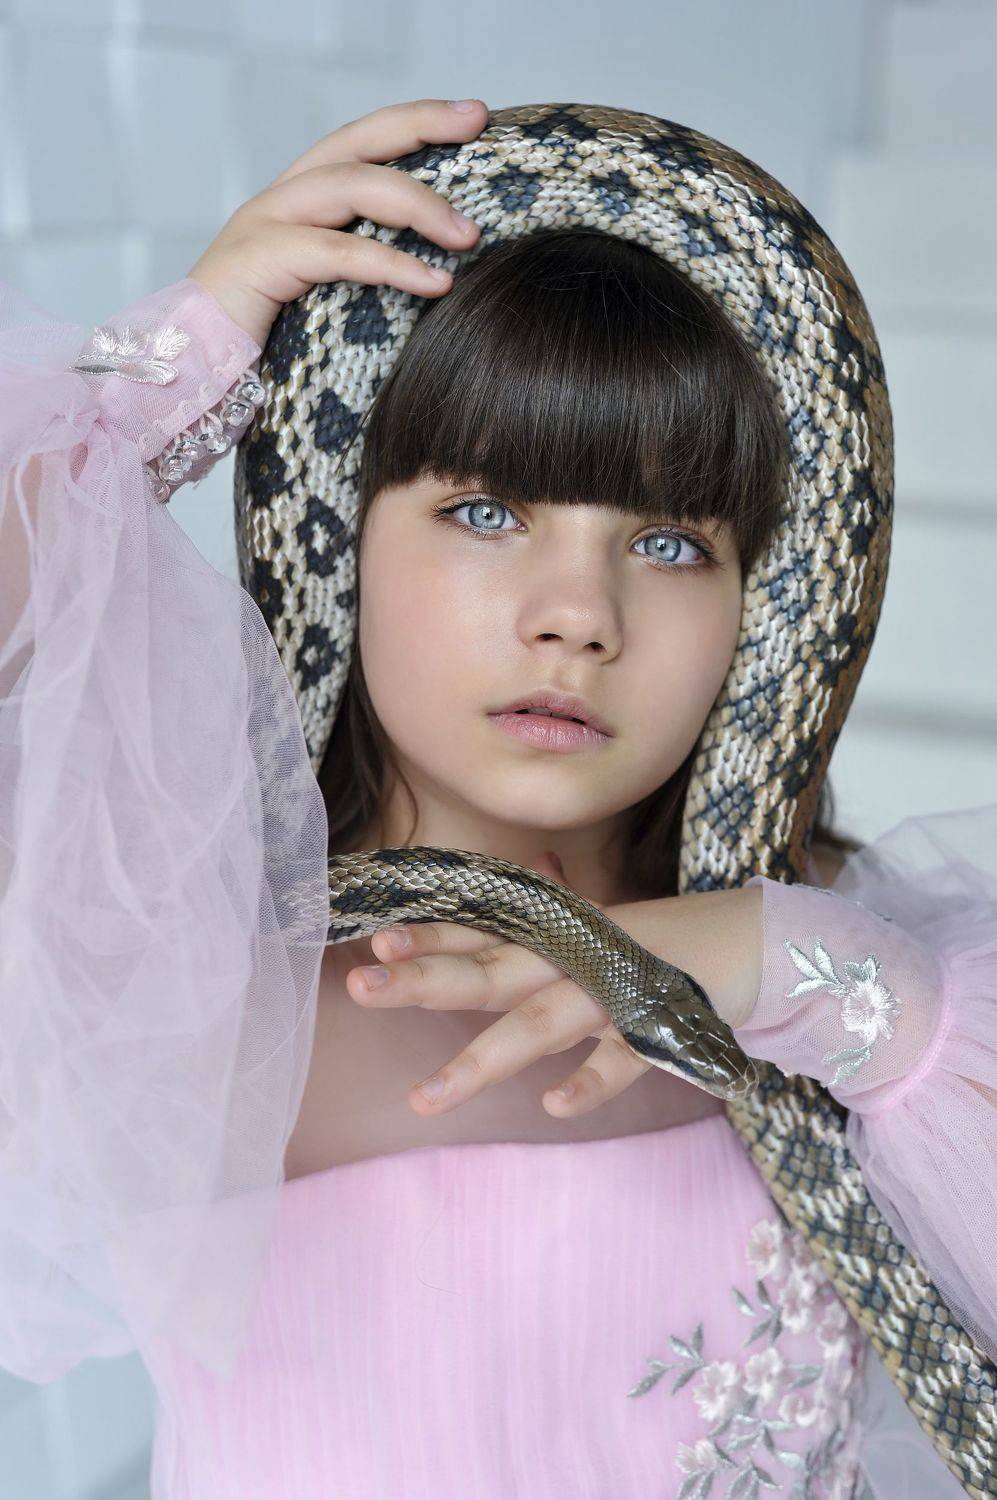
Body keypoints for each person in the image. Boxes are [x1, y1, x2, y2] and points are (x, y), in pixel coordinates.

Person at [0, 97, 993, 1499]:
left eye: (670, 542)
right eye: (484, 512)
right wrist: (170, 371)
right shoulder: (202, 978)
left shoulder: (837, 968)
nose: (577, 614)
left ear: (760, 608)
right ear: (342, 534)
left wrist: (790, 967)